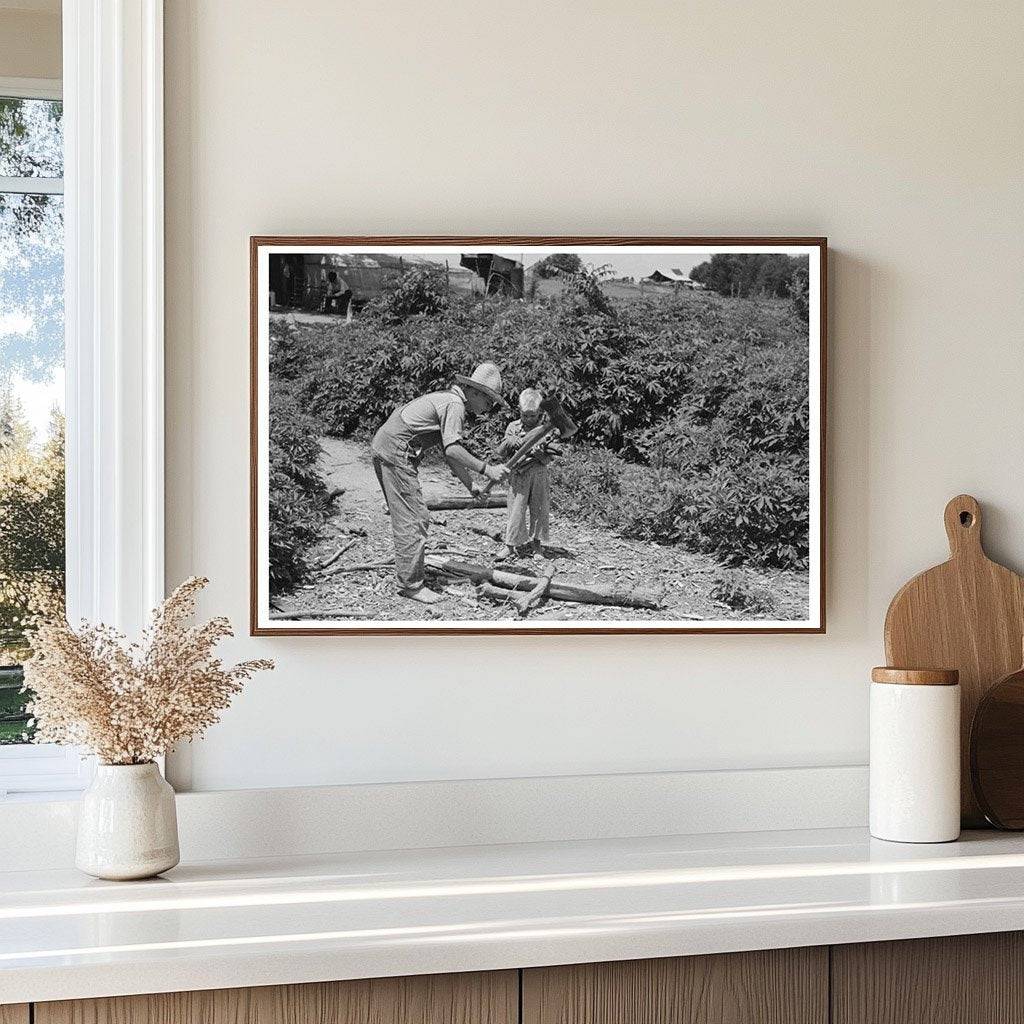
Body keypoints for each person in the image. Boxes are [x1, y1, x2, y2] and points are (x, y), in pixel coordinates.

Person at [371, 363, 511, 604]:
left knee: (409, 516)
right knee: (414, 517)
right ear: (475, 392)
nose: (488, 409)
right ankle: (411, 585)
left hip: (387, 447)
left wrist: (471, 485)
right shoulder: (454, 405)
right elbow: (454, 449)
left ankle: (410, 575)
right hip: (396, 451)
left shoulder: (450, 400)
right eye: (488, 402)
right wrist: (487, 470)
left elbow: (449, 454)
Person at [495, 388, 562, 558]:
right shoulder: (513, 427)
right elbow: (500, 451)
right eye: (525, 415)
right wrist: (511, 441)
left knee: (539, 508)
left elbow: (549, 459)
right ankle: (510, 544)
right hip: (518, 474)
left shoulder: (546, 430)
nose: (529, 419)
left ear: (540, 413)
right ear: (520, 411)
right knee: (515, 509)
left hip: (539, 473)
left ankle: (537, 544)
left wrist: (540, 454)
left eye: (533, 415)